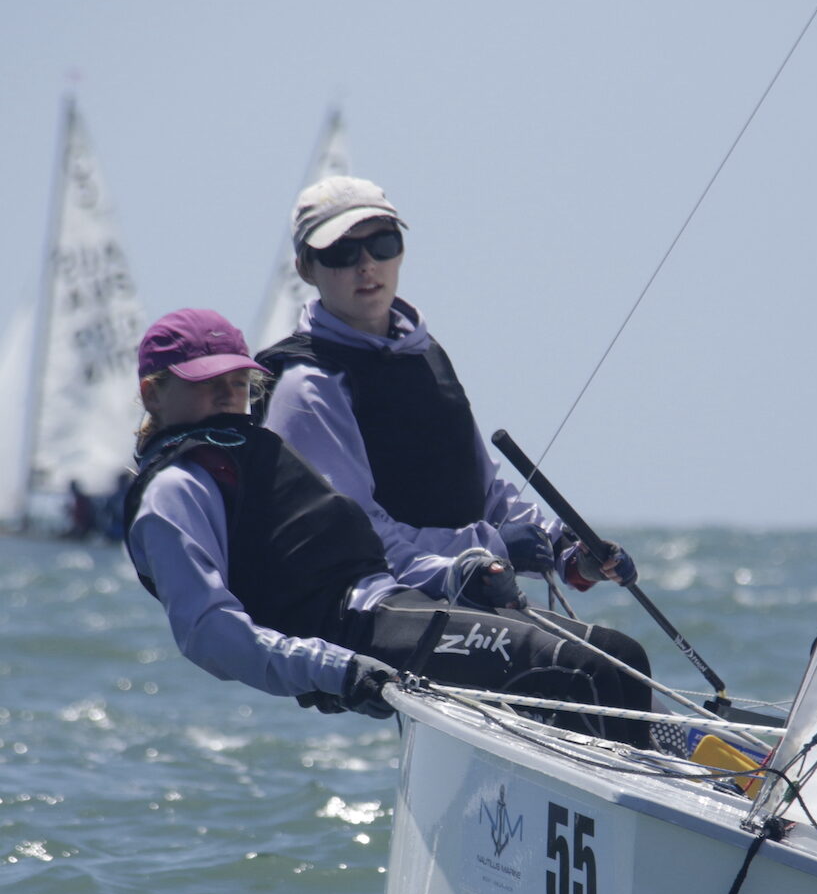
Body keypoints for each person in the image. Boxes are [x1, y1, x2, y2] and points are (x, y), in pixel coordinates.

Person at [123, 308, 653, 745]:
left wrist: (454, 574)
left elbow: (372, 551)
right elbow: (209, 633)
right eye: (206, 383)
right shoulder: (175, 490)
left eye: (236, 380)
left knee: (622, 658)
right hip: (354, 636)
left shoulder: (257, 450)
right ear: (153, 394)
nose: (227, 395)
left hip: (393, 601)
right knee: (587, 674)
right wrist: (339, 670)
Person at [257, 175, 634, 598]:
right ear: (306, 268)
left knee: (621, 659)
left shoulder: (424, 353)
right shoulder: (308, 385)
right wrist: (488, 550)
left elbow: (484, 492)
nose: (366, 265)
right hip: (373, 612)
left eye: (382, 244)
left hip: (464, 593)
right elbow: (353, 535)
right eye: (342, 252)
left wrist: (568, 550)